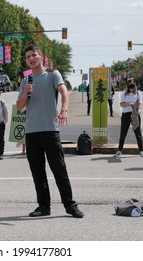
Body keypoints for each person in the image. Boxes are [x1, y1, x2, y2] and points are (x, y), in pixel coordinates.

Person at [16, 44, 84, 219]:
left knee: (59, 170)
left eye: (34, 55)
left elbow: (63, 91)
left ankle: (70, 205)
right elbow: (19, 106)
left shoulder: (52, 74)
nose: (31, 59)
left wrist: (64, 109)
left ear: (41, 57)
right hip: (31, 132)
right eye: (28, 57)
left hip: (50, 130)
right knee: (38, 172)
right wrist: (25, 92)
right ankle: (43, 206)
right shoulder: (26, 80)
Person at [114, 77, 143, 157]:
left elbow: (140, 103)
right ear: (127, 85)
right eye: (129, 85)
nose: (131, 86)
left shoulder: (138, 93)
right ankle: (119, 150)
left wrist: (137, 106)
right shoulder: (124, 93)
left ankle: (141, 150)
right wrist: (129, 104)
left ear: (135, 84)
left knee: (138, 132)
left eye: (132, 84)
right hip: (126, 114)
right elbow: (121, 104)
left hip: (135, 114)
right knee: (123, 132)